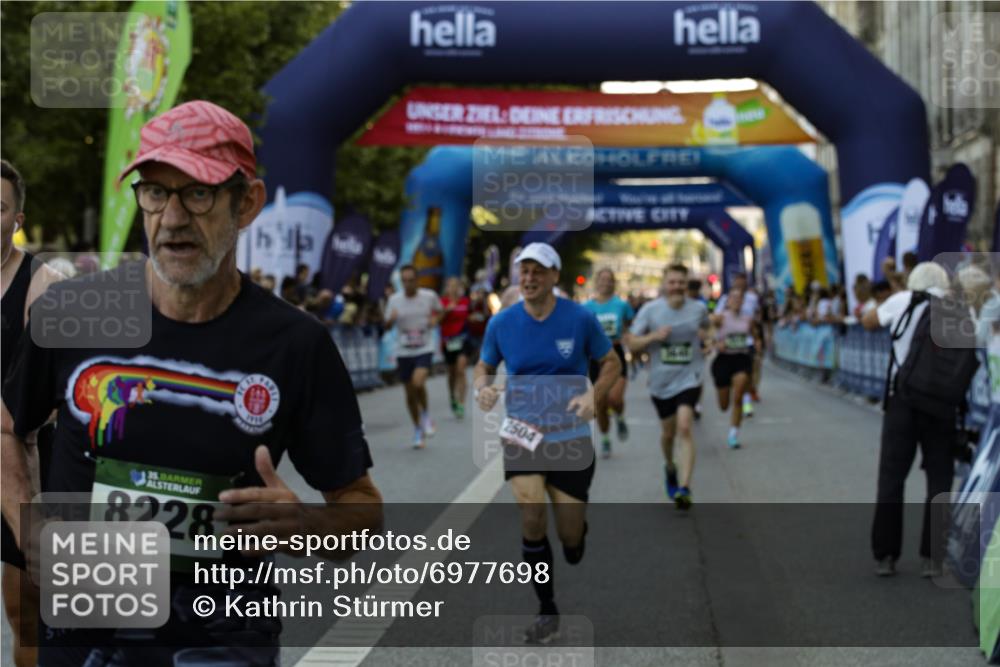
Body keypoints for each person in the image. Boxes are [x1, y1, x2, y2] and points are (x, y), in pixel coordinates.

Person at [0, 101, 382, 664]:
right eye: (155, 192)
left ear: (246, 202)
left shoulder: (296, 345)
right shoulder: (72, 312)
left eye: (198, 193)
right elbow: (8, 428)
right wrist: (24, 519)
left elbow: (363, 513)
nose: (172, 218)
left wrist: (303, 523)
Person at [473, 242, 619, 645]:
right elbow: (485, 364)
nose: (529, 278)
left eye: (538, 271)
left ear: (555, 276)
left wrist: (595, 395)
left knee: (570, 539)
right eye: (524, 271)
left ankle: (575, 538)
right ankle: (547, 609)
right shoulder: (501, 323)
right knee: (531, 512)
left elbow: (611, 363)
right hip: (523, 434)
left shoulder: (580, 319)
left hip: (570, 438)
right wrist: (483, 388)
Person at [862, 262, 973, 577]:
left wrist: (894, 297)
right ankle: (933, 557)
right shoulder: (957, 308)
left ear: (914, 281)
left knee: (892, 478)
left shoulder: (904, 300)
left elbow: (868, 321)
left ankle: (886, 554)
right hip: (942, 405)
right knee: (939, 479)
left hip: (904, 400)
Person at [0, 159, 62, 667]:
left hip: (23, 458)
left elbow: (32, 410)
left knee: (28, 609)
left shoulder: (44, 284)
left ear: (18, 218)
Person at [626, 264, 710, 509]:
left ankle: (684, 488)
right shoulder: (650, 311)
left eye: (681, 283)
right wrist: (653, 337)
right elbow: (631, 343)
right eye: (672, 282)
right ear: (664, 284)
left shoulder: (698, 308)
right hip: (661, 382)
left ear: (687, 285)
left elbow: (707, 327)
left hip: (690, 377)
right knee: (668, 433)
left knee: (685, 426)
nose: (676, 287)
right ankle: (670, 466)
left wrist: (709, 339)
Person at [385, 264, 442, 448]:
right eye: (404, 281)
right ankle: (418, 429)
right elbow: (385, 326)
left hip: (424, 347)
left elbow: (440, 311)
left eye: (411, 280)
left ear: (417, 280)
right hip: (403, 350)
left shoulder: (428, 296)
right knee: (409, 393)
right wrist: (391, 320)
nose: (408, 284)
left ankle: (425, 415)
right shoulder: (394, 300)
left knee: (418, 382)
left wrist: (435, 319)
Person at [583, 268, 634, 458]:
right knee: (600, 405)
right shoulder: (586, 308)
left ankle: (619, 416)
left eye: (609, 279)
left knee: (614, 398)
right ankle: (605, 438)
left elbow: (629, 327)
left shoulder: (621, 305)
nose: (606, 283)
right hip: (595, 359)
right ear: (596, 282)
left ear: (614, 283)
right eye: (602, 279)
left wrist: (630, 341)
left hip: (616, 354)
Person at [710, 288, 758, 449]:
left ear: (743, 301)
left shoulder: (748, 319)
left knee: (738, 396)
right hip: (723, 360)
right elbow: (705, 333)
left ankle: (733, 434)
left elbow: (755, 335)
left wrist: (757, 345)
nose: (737, 300)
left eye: (740, 298)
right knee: (724, 406)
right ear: (728, 301)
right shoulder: (720, 318)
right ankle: (726, 395)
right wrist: (716, 343)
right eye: (733, 298)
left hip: (741, 359)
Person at [714, 271, 762, 415]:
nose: (740, 284)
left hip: (746, 342)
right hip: (727, 345)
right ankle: (740, 395)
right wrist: (715, 342)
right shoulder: (724, 299)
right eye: (737, 282)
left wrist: (757, 337)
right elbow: (716, 318)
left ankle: (747, 401)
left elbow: (758, 314)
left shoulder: (753, 298)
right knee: (724, 403)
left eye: (743, 282)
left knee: (749, 372)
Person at [440, 276, 471, 419]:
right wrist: (446, 311)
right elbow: (436, 320)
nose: (453, 288)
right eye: (450, 285)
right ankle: (452, 396)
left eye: (455, 286)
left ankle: (461, 403)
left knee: (461, 370)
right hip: (447, 342)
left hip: (462, 340)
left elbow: (468, 316)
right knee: (452, 373)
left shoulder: (465, 301)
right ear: (447, 288)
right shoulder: (442, 302)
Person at [466, 282, 492, 364]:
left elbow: (489, 317)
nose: (480, 295)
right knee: (474, 348)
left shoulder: (486, 305)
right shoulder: (472, 304)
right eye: (478, 293)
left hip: (483, 332)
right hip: (473, 332)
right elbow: (467, 316)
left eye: (482, 293)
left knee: (481, 349)